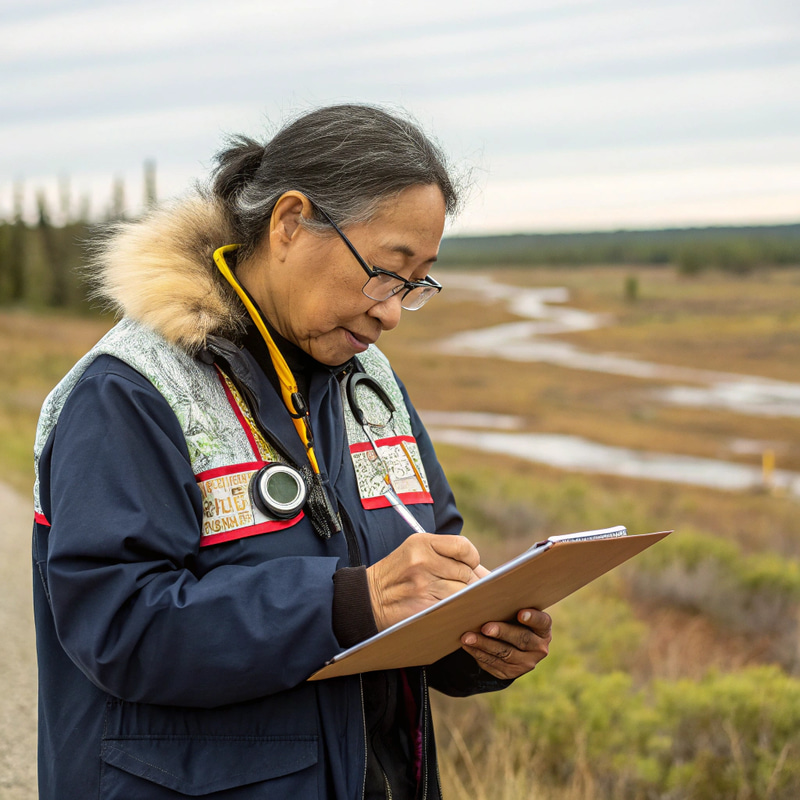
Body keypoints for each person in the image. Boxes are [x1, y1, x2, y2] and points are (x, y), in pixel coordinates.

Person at [32, 104, 552, 799]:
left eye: (416, 283)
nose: (391, 310)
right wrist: (344, 604)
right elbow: (119, 627)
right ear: (289, 222)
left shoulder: (373, 386)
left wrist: (477, 645)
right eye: (384, 271)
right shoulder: (129, 393)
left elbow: (426, 574)